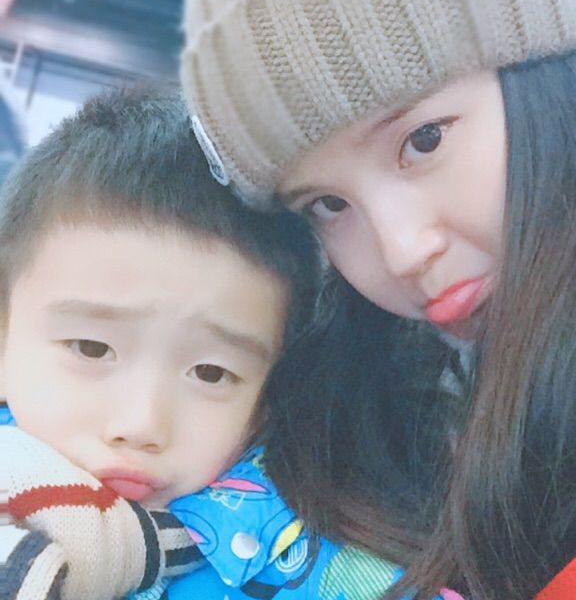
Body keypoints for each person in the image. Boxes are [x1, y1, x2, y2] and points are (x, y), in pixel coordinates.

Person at [180, 0, 576, 598]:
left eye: (423, 141)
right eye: (328, 205)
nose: (401, 253)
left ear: (552, 75)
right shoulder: (326, 428)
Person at [0, 84, 428, 600]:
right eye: (92, 349)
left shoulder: (324, 573)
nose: (141, 425)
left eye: (210, 373)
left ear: (269, 394)